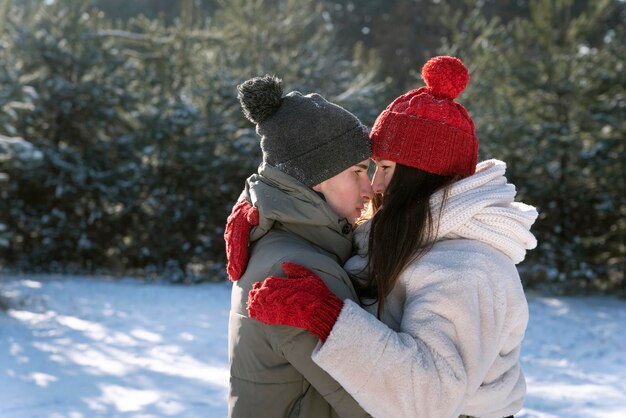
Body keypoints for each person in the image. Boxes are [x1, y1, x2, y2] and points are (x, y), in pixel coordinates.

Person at [246, 56, 539, 418]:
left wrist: (327, 316)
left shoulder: (469, 268)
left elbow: (431, 397)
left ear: (419, 173)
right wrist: (270, 213)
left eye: (384, 168)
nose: (376, 185)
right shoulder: (414, 240)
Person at [224, 74, 374, 417]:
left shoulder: (275, 242)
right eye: (357, 171)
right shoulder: (300, 268)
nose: (369, 189)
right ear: (317, 176)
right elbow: (374, 404)